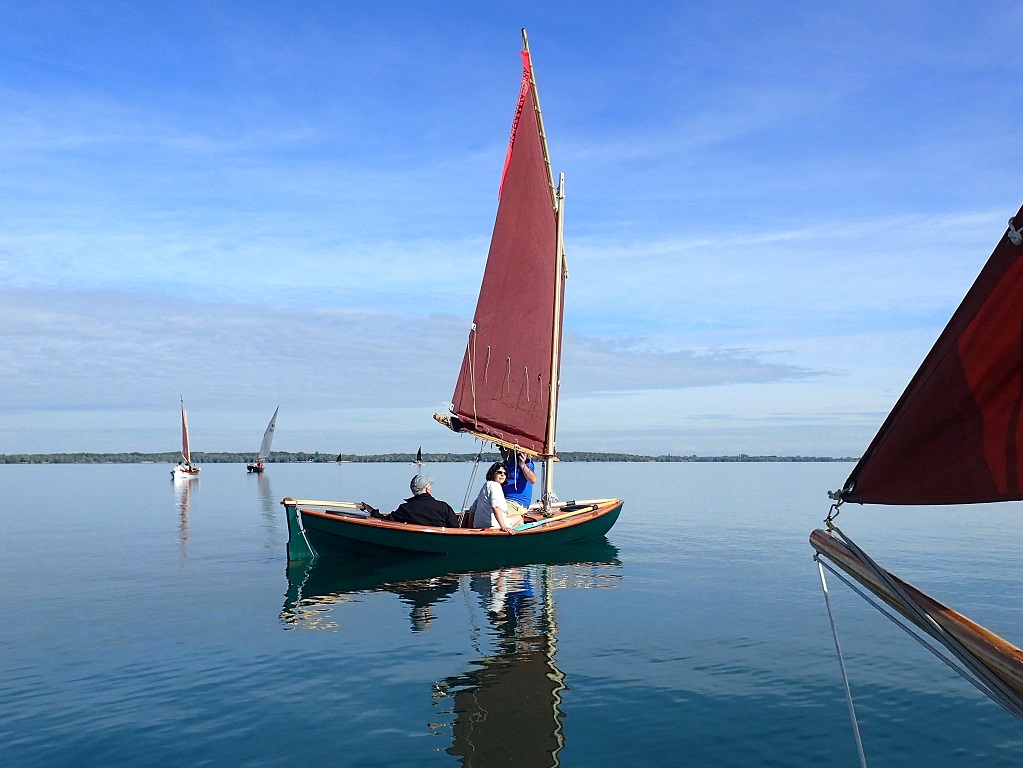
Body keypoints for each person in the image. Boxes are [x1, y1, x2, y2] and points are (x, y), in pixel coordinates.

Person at [358, 474, 459, 527]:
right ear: (428, 489)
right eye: (430, 485)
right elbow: (455, 527)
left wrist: (371, 510)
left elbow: (386, 520)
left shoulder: (405, 509)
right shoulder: (443, 507)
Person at [469, 463, 523, 533]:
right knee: (519, 518)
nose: (503, 475)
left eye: (505, 473)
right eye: (499, 472)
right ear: (493, 473)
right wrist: (503, 527)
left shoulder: (486, 486)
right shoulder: (495, 486)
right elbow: (495, 507)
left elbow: (473, 509)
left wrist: (470, 527)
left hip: (479, 525)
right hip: (494, 525)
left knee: (510, 516)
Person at [499, 446, 536, 516]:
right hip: (504, 501)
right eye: (501, 449)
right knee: (482, 507)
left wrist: (522, 465)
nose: (503, 452)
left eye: (506, 449)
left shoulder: (525, 461)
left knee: (498, 512)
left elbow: (533, 480)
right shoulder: (504, 465)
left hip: (518, 504)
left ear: (512, 450)